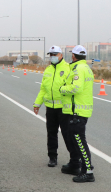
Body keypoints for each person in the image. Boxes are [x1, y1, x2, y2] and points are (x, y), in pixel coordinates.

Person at [33, 46, 76, 167]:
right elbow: (43, 89)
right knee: (51, 133)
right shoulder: (48, 70)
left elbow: (72, 88)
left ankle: (74, 159)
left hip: (64, 108)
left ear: (61, 55)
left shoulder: (68, 68)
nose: (53, 56)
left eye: (55, 54)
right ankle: (52, 157)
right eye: (51, 54)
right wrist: (37, 104)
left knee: (67, 134)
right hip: (50, 108)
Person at [59, 45, 95, 183]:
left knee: (80, 142)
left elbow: (76, 88)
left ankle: (88, 172)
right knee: (74, 139)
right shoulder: (85, 67)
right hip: (78, 110)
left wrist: (63, 89)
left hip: (78, 111)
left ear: (73, 56)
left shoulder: (79, 69)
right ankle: (77, 166)